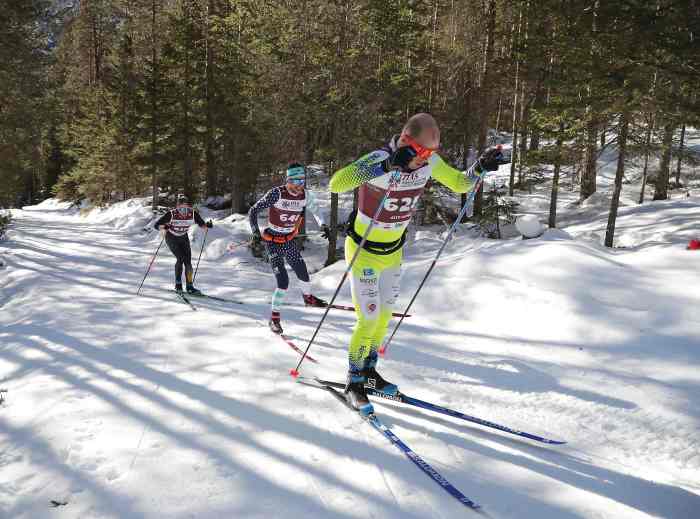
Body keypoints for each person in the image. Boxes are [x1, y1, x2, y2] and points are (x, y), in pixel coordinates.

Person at [329, 113, 507, 415]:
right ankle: (354, 381)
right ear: (404, 143)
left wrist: (480, 167)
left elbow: (460, 183)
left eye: (431, 153)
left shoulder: (429, 164)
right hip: (364, 251)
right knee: (368, 319)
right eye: (422, 152)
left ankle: (369, 372)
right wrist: (385, 166)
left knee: (384, 317)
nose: (425, 160)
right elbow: (336, 183)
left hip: (393, 252)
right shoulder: (379, 158)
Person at [249, 163, 331, 334]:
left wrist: (323, 225)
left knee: (303, 273)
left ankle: (308, 298)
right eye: (294, 180)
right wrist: (256, 232)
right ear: (287, 180)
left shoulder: (305, 195)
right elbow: (253, 210)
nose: (298, 184)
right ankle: (274, 319)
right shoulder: (277, 193)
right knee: (283, 282)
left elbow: (317, 210)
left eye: (302, 180)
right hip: (273, 243)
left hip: (289, 241)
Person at [154, 195, 213, 295]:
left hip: (183, 237)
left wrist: (207, 225)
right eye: (180, 206)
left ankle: (190, 286)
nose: (183, 208)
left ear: (188, 206)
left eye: (185, 206)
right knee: (180, 258)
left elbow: (201, 224)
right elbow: (156, 226)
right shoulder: (171, 214)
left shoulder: (192, 214)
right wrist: (164, 226)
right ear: (177, 206)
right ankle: (178, 284)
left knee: (188, 262)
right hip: (171, 237)